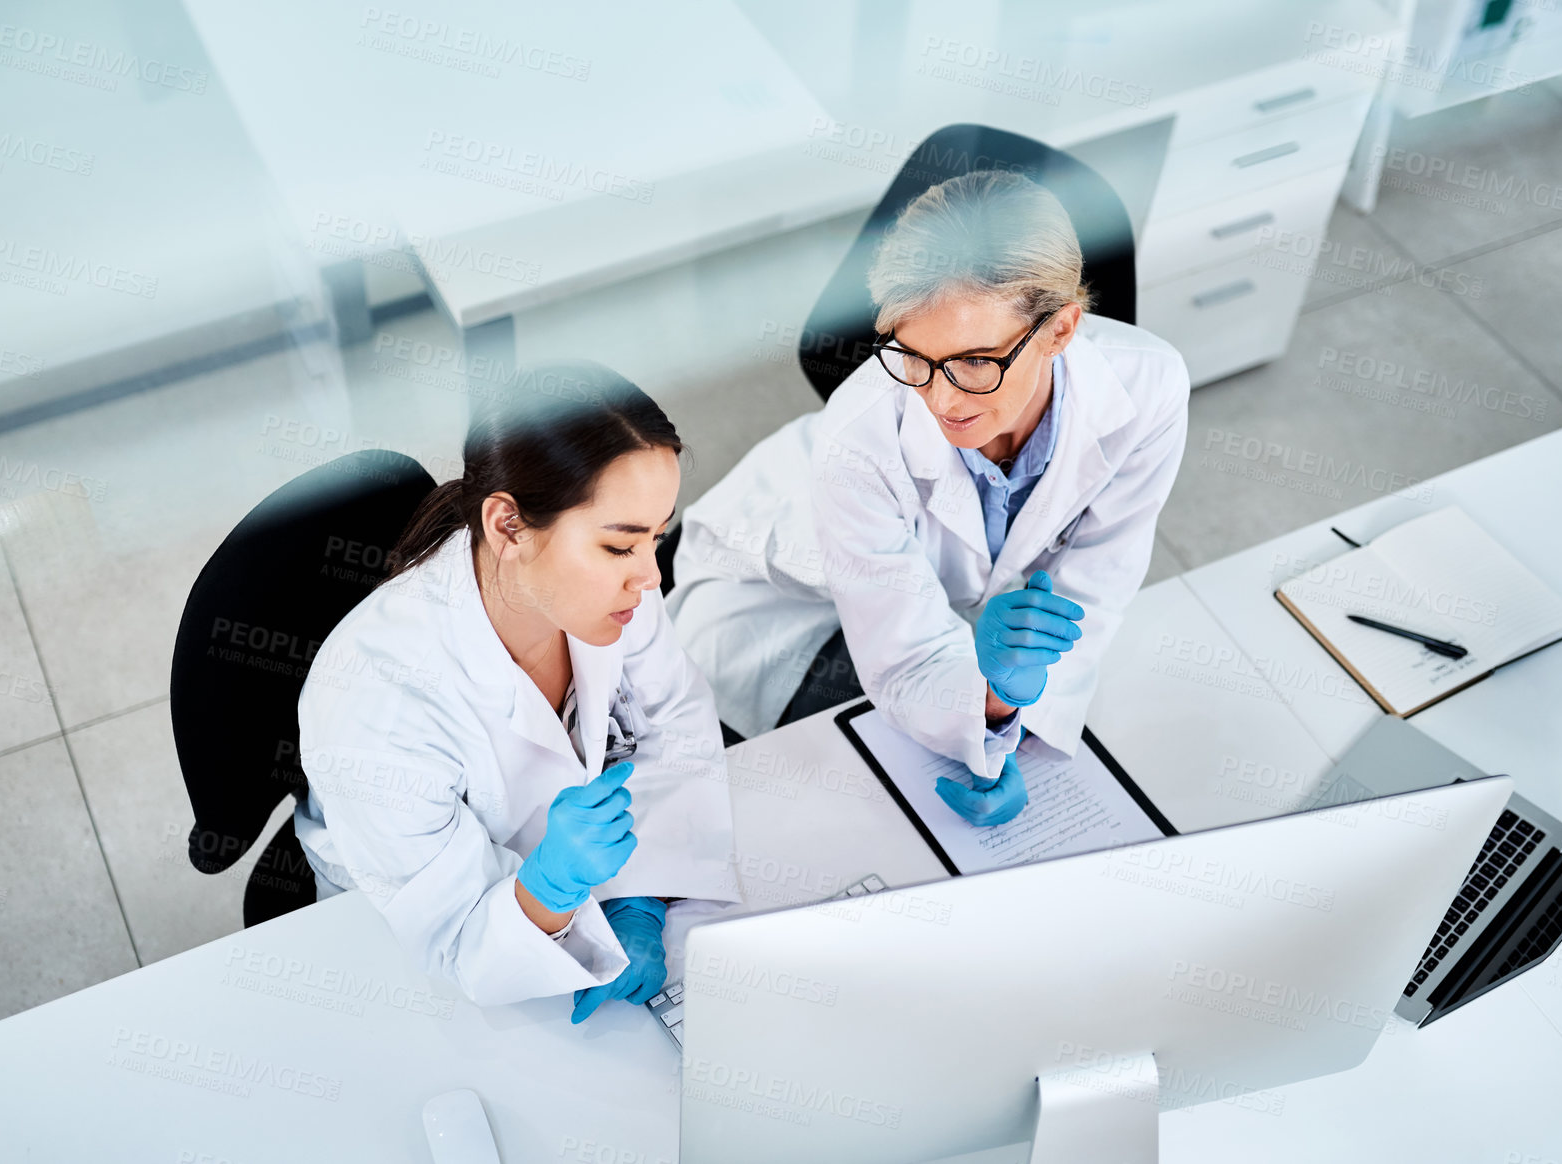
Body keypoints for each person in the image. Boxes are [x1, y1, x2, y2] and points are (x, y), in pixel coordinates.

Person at [667, 169, 1189, 827]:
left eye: (975, 361)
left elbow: (1096, 584)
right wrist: (996, 712)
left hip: (926, 597)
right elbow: (906, 661)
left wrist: (1021, 714)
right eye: (912, 355)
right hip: (780, 610)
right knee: (880, 805)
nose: (940, 401)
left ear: (1061, 330)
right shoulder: (860, 438)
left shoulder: (1150, 388)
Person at [293, 360, 738, 1021]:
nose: (651, 576)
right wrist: (550, 890)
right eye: (621, 546)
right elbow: (457, 937)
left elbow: (676, 722)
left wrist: (637, 898)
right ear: (506, 526)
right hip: (412, 943)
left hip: (583, 892)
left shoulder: (606, 591)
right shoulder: (377, 702)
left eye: (658, 537)